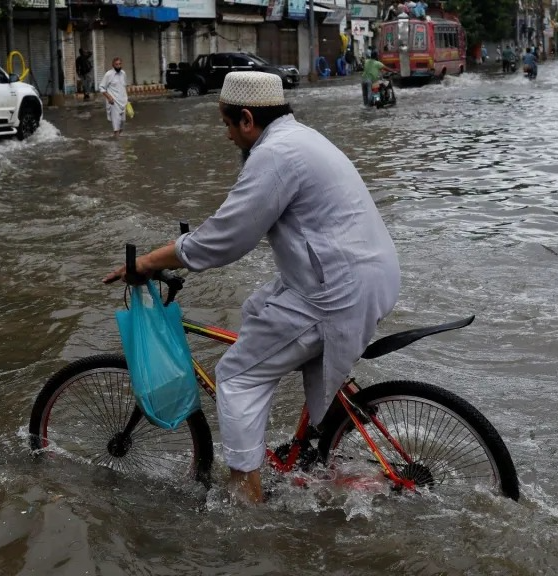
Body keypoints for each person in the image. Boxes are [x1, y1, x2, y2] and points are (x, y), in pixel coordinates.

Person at [103, 71, 401, 504]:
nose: (227, 137)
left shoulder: (276, 155)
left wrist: (148, 262)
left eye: (226, 125)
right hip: (359, 275)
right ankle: (318, 450)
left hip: (335, 291)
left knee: (236, 376)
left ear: (246, 119)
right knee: (258, 307)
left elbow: (226, 237)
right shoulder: (299, 138)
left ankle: (246, 494)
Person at [99, 57, 129, 137]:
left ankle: (116, 139)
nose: (118, 66)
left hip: (123, 101)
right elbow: (101, 88)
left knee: (122, 122)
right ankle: (117, 146)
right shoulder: (108, 74)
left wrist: (127, 99)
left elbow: (124, 86)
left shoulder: (123, 73)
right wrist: (109, 98)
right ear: (113, 65)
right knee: (116, 126)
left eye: (120, 64)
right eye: (116, 64)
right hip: (113, 102)